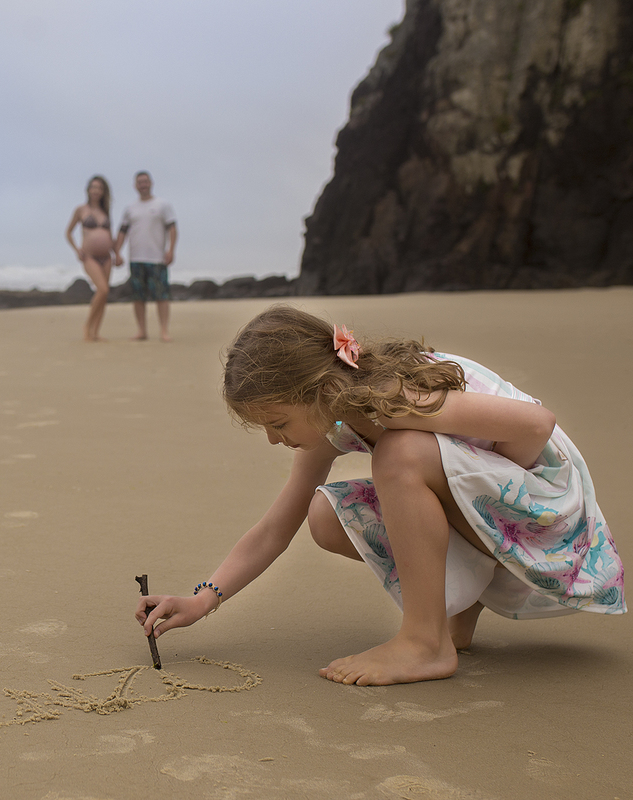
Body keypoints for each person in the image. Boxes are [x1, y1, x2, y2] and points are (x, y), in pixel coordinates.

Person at [136, 305, 625, 686]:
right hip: (494, 514)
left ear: (320, 388)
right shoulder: (337, 417)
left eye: (278, 422)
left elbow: (537, 426)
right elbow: (272, 530)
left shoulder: (395, 397)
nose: (273, 439)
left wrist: (488, 504)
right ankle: (454, 610)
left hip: (547, 511)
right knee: (325, 513)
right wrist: (202, 600)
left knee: (401, 454)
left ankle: (424, 641)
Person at [113, 171, 176, 342]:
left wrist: (171, 250)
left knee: (161, 296)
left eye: (145, 181)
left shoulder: (163, 205)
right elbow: (122, 231)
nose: (143, 185)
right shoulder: (129, 208)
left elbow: (172, 228)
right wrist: (117, 252)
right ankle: (142, 331)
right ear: (135, 185)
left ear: (151, 183)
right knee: (138, 297)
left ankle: (164, 331)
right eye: (139, 182)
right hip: (136, 259)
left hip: (157, 258)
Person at [65, 176, 123, 342]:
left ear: (104, 192)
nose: (96, 190)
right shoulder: (81, 210)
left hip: (107, 257)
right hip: (89, 257)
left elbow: (109, 236)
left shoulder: (105, 211)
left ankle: (96, 332)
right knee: (102, 289)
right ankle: (87, 327)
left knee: (104, 295)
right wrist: (77, 249)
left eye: (100, 188)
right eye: (93, 187)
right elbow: (68, 232)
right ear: (88, 190)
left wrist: (117, 253)